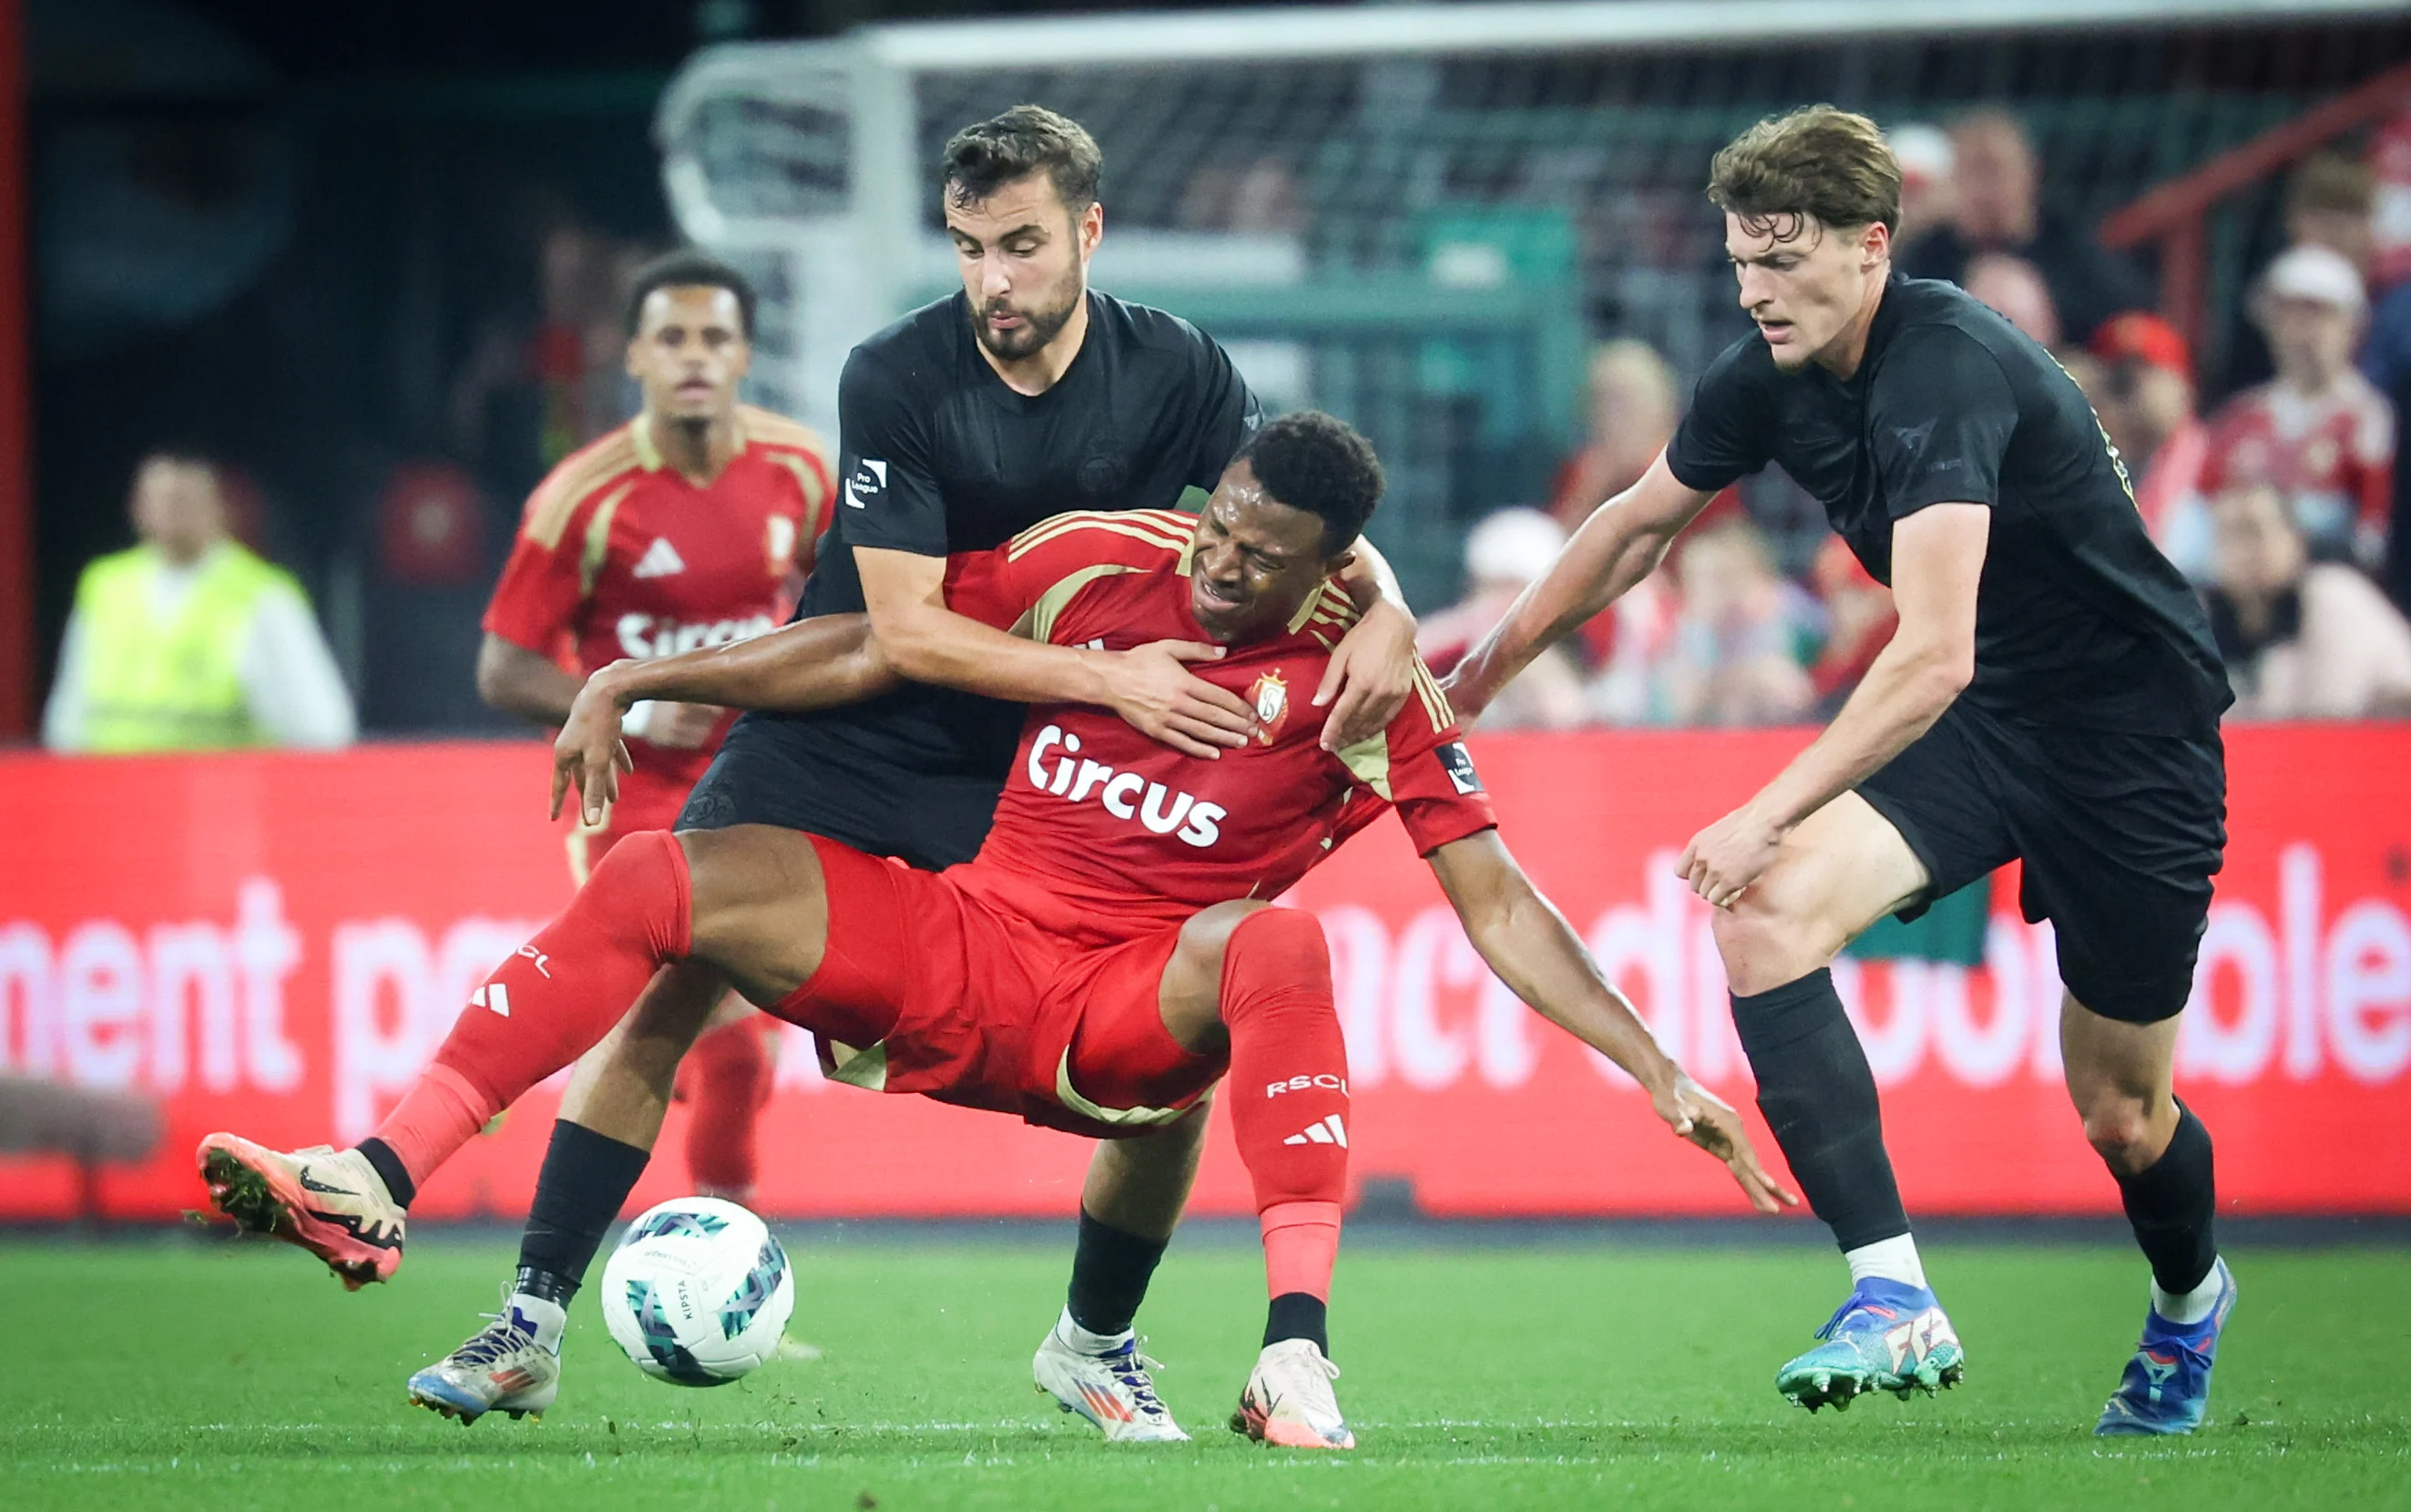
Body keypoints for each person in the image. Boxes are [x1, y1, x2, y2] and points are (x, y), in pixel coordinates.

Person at [197, 415, 1789, 1448]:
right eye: (1218, 523)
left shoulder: (1369, 691)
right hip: (958, 934)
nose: (1219, 561)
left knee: (1277, 951)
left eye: (1261, 558)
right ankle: (380, 1176)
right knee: (661, 882)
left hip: (1111, 1013)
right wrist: (647, 681)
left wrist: (1656, 1071)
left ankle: (1286, 1351)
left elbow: (1496, 898)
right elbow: (873, 642)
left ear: (1332, 579)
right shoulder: (1100, 562)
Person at [335, 105, 1419, 1440]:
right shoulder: (896, 374)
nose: (993, 281)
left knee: (1171, 1044)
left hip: (1026, 766)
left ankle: (1095, 1341)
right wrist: (1112, 679)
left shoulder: (1179, 370)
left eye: (1020, 245)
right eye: (968, 248)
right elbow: (898, 635)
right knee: (667, 979)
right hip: (854, 724)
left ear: (1087, 231)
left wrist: (1391, 606)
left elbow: (1285, 512)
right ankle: (529, 1323)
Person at [1446, 106, 2237, 1435]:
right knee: (1761, 916)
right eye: (1740, 263)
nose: (1754, 293)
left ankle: (2186, 1303)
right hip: (1992, 725)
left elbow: (1926, 656)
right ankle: (1889, 1294)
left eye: (1782, 262)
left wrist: (1763, 806)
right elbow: (1636, 523)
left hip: (2129, 743)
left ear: (1870, 247)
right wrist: (1486, 670)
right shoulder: (1765, 372)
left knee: (2119, 1113)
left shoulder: (1946, 370)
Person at [475, 250, 835, 1206]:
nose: (693, 358)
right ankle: (591, 1253)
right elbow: (501, 667)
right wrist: (622, 697)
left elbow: (852, 611)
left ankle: (722, 1258)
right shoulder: (582, 500)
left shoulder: (801, 473)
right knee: (705, 1031)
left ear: (745, 354)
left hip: (763, 795)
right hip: (630, 806)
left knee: (740, 1054)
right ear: (631, 355)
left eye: (714, 338)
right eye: (670, 338)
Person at [44, 454, 355, 752]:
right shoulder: (105, 587)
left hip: (217, 795)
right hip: (111, 793)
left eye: (183, 500)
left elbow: (322, 728)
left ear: (219, 506)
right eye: (159, 499)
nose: (169, 512)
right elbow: (68, 718)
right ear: (137, 506)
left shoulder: (263, 596)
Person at [2201, 244, 2394, 572]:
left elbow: (2372, 534)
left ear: (2351, 324)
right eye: (2285, 313)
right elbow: (2199, 513)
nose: (2298, 330)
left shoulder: (2367, 417)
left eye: (2316, 313)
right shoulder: (2238, 416)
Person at [1898, 107, 2151, 346]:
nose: (1986, 189)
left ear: (2030, 171)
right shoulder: (1928, 253)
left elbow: (2126, 311)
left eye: (1997, 171)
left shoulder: (2065, 240)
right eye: (1973, 172)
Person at [2203, 482, 2411, 720]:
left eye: (2255, 531)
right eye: (2229, 535)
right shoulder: (2212, 617)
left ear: (2296, 540)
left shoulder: (2334, 595)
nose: (2243, 550)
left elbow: (2331, 713)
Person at [1416, 508, 1588, 730]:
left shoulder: (1585, 639)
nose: (1503, 604)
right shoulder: (1454, 635)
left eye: (1514, 591)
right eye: (1495, 588)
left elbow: (1566, 711)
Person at [1647, 519, 1816, 728]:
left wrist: (1746, 678)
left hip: (1763, 724)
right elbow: (1679, 706)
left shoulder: (1765, 612)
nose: (1709, 591)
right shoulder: (1687, 627)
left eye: (1717, 579)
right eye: (1697, 579)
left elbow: (1794, 693)